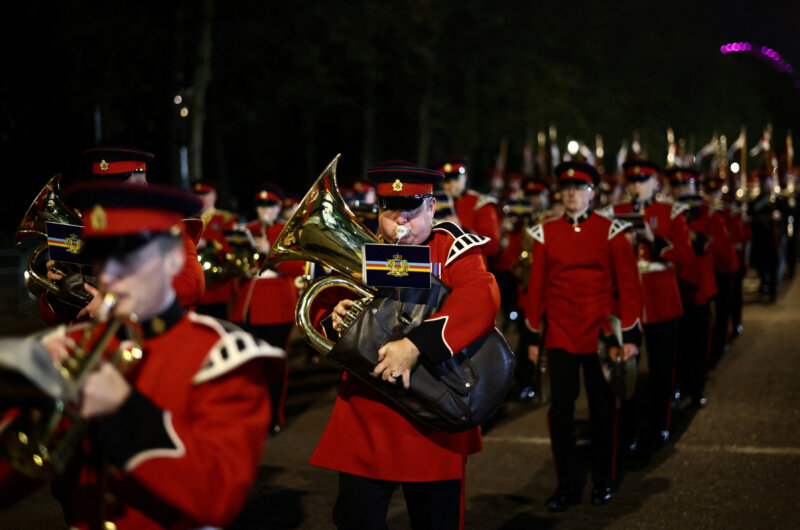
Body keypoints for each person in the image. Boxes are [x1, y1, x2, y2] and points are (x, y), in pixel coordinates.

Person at [0, 180, 282, 529]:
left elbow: (218, 500)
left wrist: (125, 410)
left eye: (130, 258)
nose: (111, 277)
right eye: (101, 258)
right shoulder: (76, 344)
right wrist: (25, 399)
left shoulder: (225, 358)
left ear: (174, 258)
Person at [310, 164, 501, 529]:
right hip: (367, 414)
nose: (400, 222)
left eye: (412, 210)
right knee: (354, 520)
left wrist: (415, 345)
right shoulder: (363, 246)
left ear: (431, 207)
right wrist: (334, 317)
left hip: (431, 419)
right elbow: (321, 302)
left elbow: (481, 299)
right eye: (390, 210)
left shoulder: (453, 246)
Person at [523, 161, 642, 510]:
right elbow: (536, 290)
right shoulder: (545, 233)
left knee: (603, 410)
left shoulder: (611, 231)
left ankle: (604, 479)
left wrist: (629, 337)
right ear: (561, 193)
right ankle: (568, 485)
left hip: (601, 335)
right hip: (560, 332)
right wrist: (533, 338)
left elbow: (630, 288)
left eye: (580, 188)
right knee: (560, 412)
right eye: (567, 189)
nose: (572, 194)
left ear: (592, 193)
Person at [40, 148, 205, 324]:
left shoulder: (165, 233)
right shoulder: (92, 235)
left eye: (115, 188)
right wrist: (58, 293)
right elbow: (54, 320)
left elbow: (192, 286)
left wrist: (111, 299)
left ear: (142, 187)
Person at [604, 160, 693, 452]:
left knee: (661, 368)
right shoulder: (615, 213)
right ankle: (628, 429)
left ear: (656, 183)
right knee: (625, 367)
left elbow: (685, 255)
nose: (636, 186)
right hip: (627, 301)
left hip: (660, 298)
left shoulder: (672, 212)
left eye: (643, 181)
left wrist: (655, 241)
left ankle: (660, 425)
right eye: (632, 181)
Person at [230, 183, 304, 434]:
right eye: (261, 206)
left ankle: (274, 415)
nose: (265, 211)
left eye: (270, 206)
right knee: (250, 365)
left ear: (278, 208)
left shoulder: (287, 231)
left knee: (275, 364)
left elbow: (298, 267)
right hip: (248, 304)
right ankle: (251, 414)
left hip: (276, 305)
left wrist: (270, 252)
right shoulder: (246, 229)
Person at [191, 179, 241, 320]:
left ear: (215, 196)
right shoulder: (190, 219)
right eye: (198, 194)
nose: (201, 198)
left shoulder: (226, 219)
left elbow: (232, 249)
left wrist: (208, 243)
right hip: (196, 287)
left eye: (205, 194)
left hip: (218, 287)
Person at [433, 156, 501, 257]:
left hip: (471, 263)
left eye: (456, 179)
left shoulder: (480, 203)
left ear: (464, 177)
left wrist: (461, 229)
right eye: (447, 181)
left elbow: (493, 247)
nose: (452, 185)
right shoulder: (433, 203)